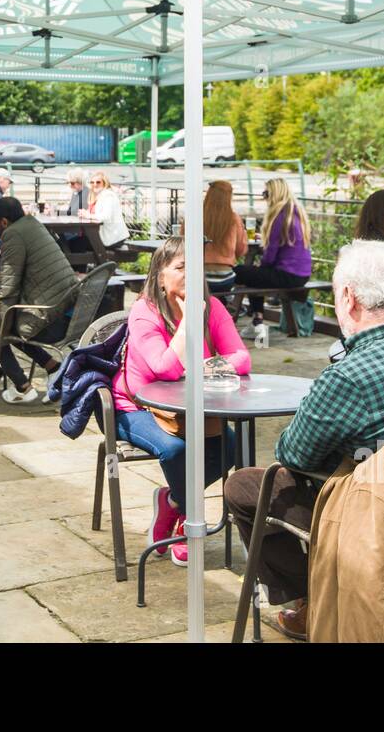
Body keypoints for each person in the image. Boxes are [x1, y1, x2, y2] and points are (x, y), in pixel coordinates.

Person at [224, 240, 384, 639]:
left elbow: (291, 452)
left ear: (347, 297)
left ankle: (315, 601)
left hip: (380, 522)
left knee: (246, 485)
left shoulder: (349, 376)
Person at [114, 235, 247, 568]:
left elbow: (242, 358)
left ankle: (172, 501)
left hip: (187, 410)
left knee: (230, 447)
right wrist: (189, 320)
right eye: (181, 267)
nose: (190, 274)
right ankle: (190, 522)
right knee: (177, 451)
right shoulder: (144, 312)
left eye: (195, 267)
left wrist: (204, 366)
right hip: (136, 407)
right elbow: (165, 369)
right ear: (160, 275)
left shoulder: (211, 307)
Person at [0, 196, 80, 404]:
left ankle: (22, 386)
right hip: (66, 313)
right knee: (11, 322)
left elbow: (8, 286)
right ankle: (52, 367)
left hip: (51, 321)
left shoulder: (13, 235)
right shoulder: (33, 224)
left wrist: (2, 326)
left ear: (4, 222)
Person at [233, 178, 311, 329]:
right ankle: (258, 319)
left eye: (265, 193)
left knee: (240, 272)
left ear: (273, 194)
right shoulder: (295, 213)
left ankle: (256, 319)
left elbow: (270, 257)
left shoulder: (279, 216)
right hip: (302, 275)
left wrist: (261, 263)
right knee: (255, 275)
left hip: (287, 275)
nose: (264, 197)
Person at [201, 180, 247, 292]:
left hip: (199, 278)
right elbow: (241, 250)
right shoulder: (233, 218)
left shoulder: (195, 216)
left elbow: (182, 246)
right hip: (224, 279)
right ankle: (223, 306)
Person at [78, 170, 130, 250]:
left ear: (104, 183)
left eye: (98, 182)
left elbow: (105, 216)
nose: (95, 184)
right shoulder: (102, 195)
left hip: (113, 238)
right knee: (76, 243)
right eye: (92, 182)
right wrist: (86, 213)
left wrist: (88, 215)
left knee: (75, 245)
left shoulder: (108, 196)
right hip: (109, 236)